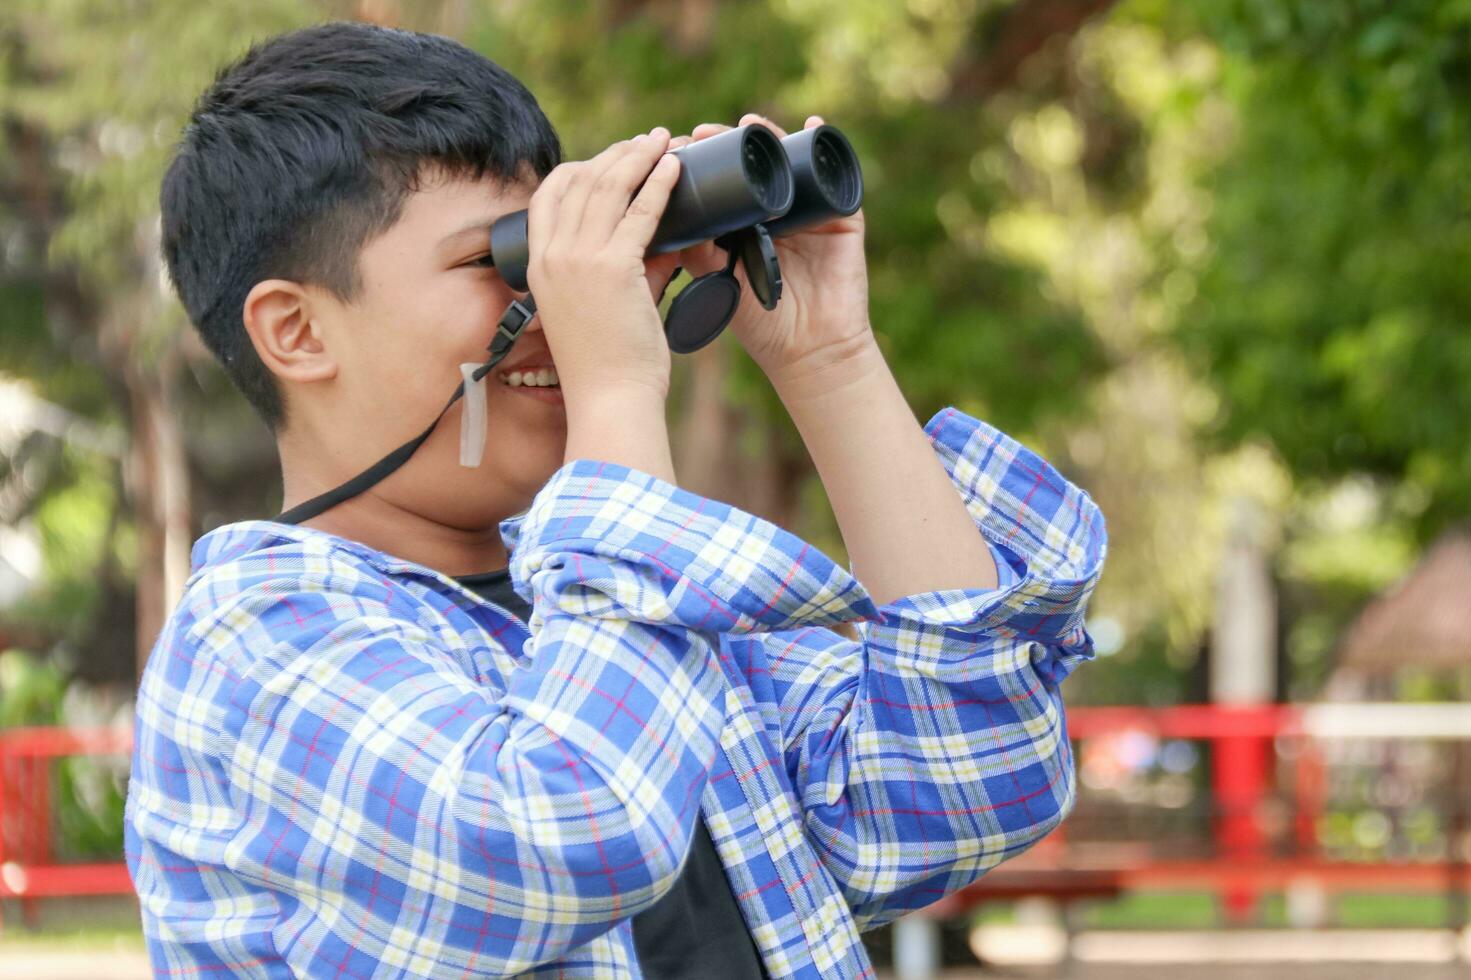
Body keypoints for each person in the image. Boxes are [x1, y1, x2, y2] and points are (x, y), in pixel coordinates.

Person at [124, 20, 1106, 979]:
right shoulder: (255, 646)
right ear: (296, 331)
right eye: (502, 261)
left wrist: (829, 358)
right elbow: (582, 824)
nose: (565, 301)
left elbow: (974, 781)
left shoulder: (636, 610)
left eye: (562, 253)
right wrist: (615, 390)